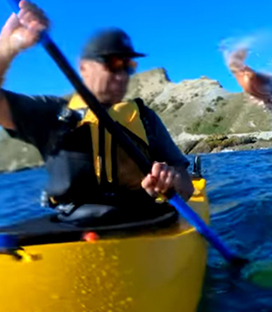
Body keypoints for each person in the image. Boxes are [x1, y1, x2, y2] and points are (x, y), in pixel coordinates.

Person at [0, 1, 194, 225]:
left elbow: (186, 187)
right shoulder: (51, 114)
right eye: (112, 63)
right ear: (83, 67)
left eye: (127, 65)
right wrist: (9, 46)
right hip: (75, 227)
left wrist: (171, 181)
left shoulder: (145, 118)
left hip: (142, 221)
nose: (122, 74)